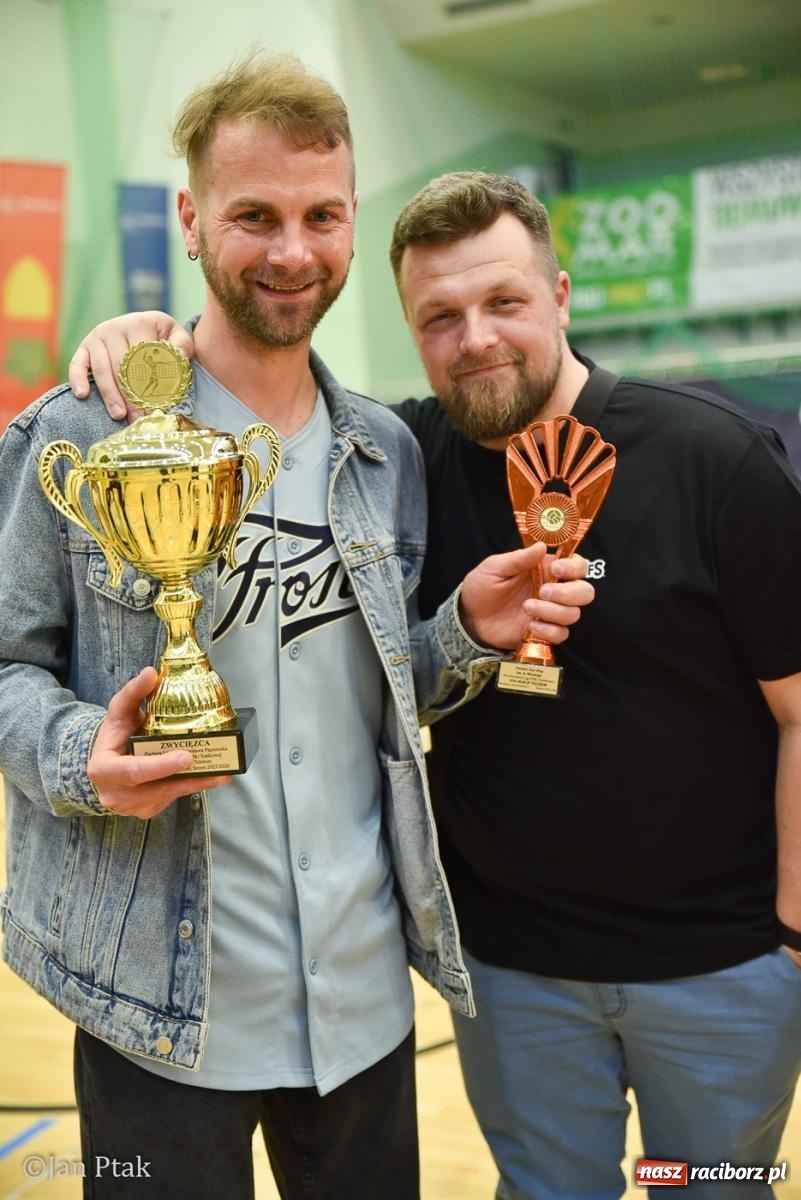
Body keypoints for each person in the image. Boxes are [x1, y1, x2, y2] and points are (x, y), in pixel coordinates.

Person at [74, 168, 801, 1200]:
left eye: (503, 302)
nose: (476, 339)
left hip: (718, 976)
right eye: (439, 317)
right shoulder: (398, 464)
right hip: (510, 976)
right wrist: (142, 339)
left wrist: (793, 939)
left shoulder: (712, 458)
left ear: (558, 293)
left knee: (716, 1191)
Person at [0, 59, 596, 1200]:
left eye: (322, 216)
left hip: (364, 1002)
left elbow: (373, 687)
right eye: (253, 216)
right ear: (189, 220)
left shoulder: (387, 452)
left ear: (351, 221)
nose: (291, 250)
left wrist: (461, 633)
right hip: (155, 1009)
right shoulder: (84, 431)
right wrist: (83, 756)